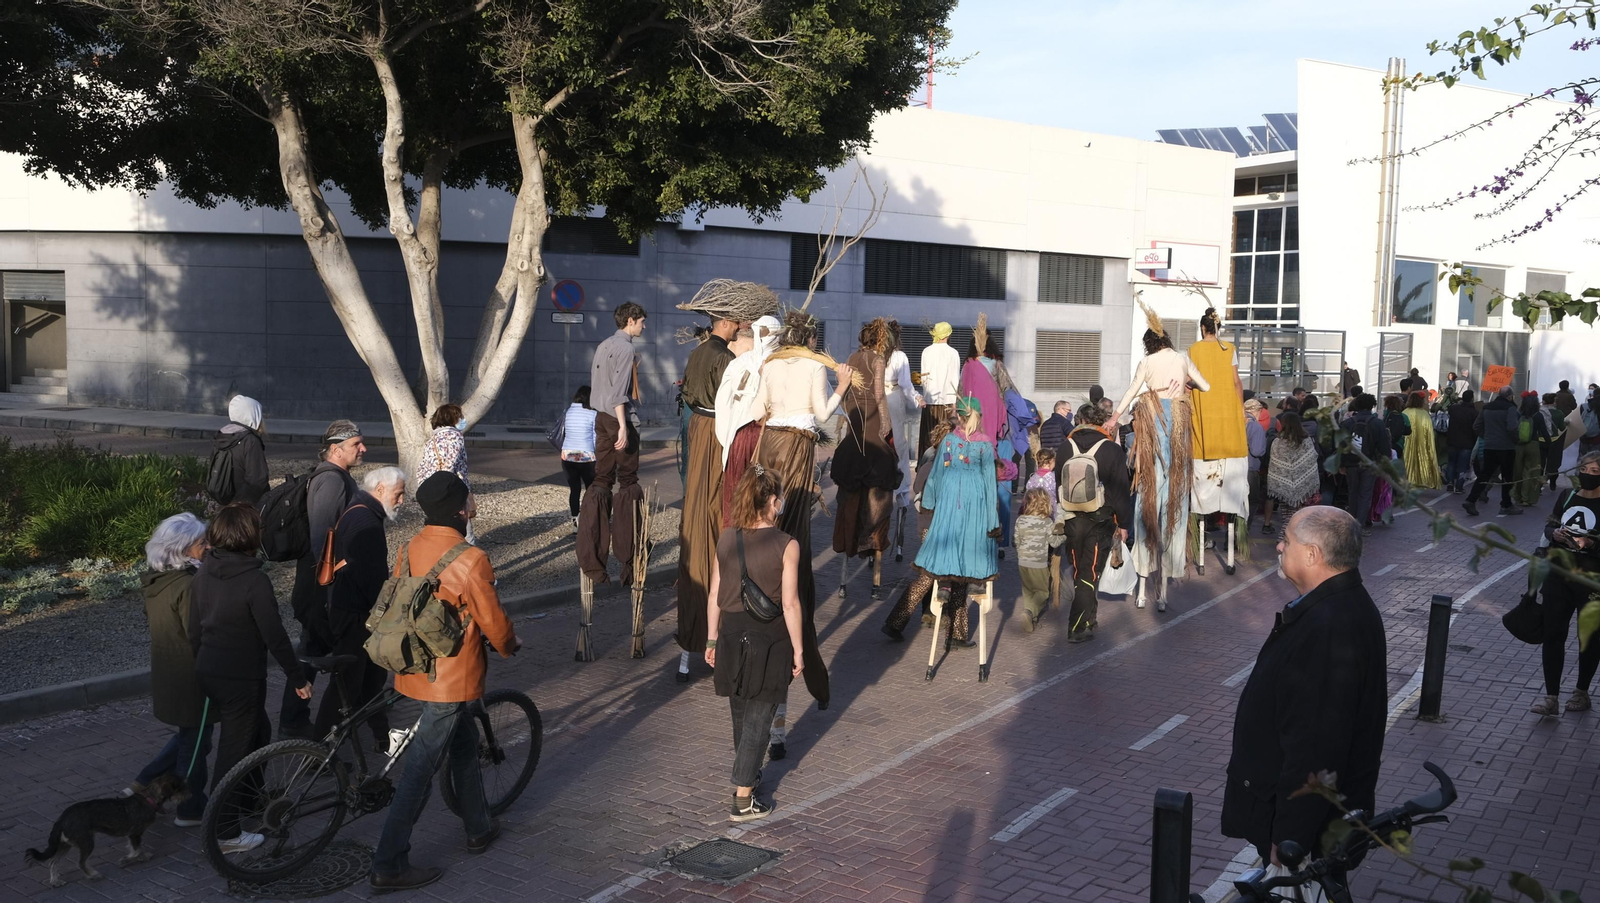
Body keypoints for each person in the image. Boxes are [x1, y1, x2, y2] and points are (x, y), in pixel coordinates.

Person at [370, 471, 520, 892]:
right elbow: (494, 623)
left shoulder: (409, 547)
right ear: (459, 509)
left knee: (464, 743)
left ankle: (478, 826)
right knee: (420, 769)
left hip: (416, 668)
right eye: (470, 497)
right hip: (452, 678)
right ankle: (389, 862)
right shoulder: (471, 559)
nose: (474, 502)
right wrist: (510, 644)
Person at [1221, 507, 1386, 875]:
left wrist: (1291, 836)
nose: (1279, 546)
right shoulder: (1338, 607)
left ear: (1312, 555)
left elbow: (1316, 743)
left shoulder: (1329, 627)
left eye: (1288, 540)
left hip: (1306, 836)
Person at [190, 503, 311, 854]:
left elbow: (193, 627)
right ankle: (225, 830)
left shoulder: (205, 571)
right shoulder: (253, 580)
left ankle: (248, 800)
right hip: (240, 677)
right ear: (250, 537)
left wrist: (202, 660)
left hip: (210, 668)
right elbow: (274, 635)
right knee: (236, 748)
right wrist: (298, 677)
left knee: (257, 731)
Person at [749, 310, 848, 724]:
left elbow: (758, 413)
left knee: (763, 519)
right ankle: (789, 611)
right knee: (793, 536)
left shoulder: (770, 363)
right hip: (796, 448)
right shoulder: (813, 364)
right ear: (812, 339)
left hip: (770, 444)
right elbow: (823, 413)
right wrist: (841, 384)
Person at [704, 466, 810, 822]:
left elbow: (715, 593)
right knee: (760, 717)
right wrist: (799, 649)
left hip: (732, 634)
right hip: (770, 638)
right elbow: (791, 603)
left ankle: (746, 777)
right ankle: (743, 799)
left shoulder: (726, 538)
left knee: (740, 714)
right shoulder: (786, 544)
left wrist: (711, 637)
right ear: (773, 501)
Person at [1115, 302, 1210, 608]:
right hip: (1178, 429)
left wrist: (1114, 417)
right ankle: (1164, 594)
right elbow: (1205, 386)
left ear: (1149, 343)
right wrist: (1186, 384)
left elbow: (1131, 391)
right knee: (1175, 506)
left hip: (1151, 428)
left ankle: (1142, 590)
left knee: (1147, 500)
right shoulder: (1182, 359)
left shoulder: (1147, 363)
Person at [127, 513, 213, 828]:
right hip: (192, 674)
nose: (207, 547)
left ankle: (146, 780)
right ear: (182, 548)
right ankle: (190, 807)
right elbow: (199, 633)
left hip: (170, 669)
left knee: (194, 736)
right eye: (201, 543)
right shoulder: (189, 585)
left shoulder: (157, 579)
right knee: (195, 742)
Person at [280, 420, 364, 741]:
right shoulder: (331, 481)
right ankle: (299, 723)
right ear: (335, 449)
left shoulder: (337, 478)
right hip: (322, 588)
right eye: (356, 444)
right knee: (319, 652)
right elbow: (322, 540)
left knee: (317, 651)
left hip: (320, 585)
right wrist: (335, 583)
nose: (363, 449)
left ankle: (302, 720)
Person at [311, 466, 406, 744]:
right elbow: (368, 576)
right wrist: (384, 613)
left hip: (352, 610)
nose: (401, 501)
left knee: (371, 679)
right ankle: (319, 749)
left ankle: (380, 736)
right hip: (354, 614)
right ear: (380, 490)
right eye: (398, 494)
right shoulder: (365, 520)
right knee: (348, 684)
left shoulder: (361, 511)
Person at [676, 311, 741, 682]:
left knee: (698, 517)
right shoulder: (723, 358)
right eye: (736, 322)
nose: (739, 327)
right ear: (726, 322)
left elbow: (687, 394)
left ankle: (689, 648)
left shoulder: (699, 352)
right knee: (717, 524)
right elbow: (733, 407)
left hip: (698, 432)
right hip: (716, 434)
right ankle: (715, 640)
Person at [913, 396, 999, 640]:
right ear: (978, 417)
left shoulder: (949, 441)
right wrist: (993, 518)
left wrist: (929, 503)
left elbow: (937, 474)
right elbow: (989, 482)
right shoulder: (985, 444)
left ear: (959, 417)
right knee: (971, 538)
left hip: (950, 499)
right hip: (975, 499)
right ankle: (974, 580)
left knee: (949, 539)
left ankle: (946, 585)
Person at [882, 417, 975, 643]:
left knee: (927, 577)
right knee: (956, 579)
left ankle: (896, 622)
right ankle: (956, 634)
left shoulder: (927, 466)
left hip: (928, 528)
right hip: (944, 530)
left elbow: (918, 492)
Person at [578, 301, 647, 586]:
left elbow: (600, 387)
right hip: (618, 419)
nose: (644, 326)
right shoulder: (625, 348)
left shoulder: (604, 344)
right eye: (642, 321)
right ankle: (628, 561)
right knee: (628, 482)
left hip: (599, 417)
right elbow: (618, 393)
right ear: (630, 321)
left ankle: (592, 561)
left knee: (600, 481)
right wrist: (623, 426)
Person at [1054, 404, 1133, 642]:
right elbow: (1120, 492)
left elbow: (1059, 482)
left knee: (1082, 569)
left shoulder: (1065, 446)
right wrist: (1124, 524)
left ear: (1079, 420)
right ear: (1102, 422)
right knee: (1089, 572)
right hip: (1100, 519)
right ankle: (1077, 626)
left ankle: (1089, 619)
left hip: (1071, 517)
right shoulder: (1111, 448)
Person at [1531, 452, 1600, 715]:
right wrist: (1555, 533)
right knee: (1553, 634)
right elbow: (1549, 526)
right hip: (1558, 576)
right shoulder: (1567, 496)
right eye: (1585, 469)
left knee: (1589, 638)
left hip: (1590, 580)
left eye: (1595, 471)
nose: (1589, 475)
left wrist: (1591, 543)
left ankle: (1582, 692)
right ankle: (1551, 697)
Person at [832, 319, 901, 575]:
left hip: (855, 420)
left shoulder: (852, 356)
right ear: (880, 340)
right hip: (871, 419)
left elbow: (847, 390)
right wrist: (885, 423)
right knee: (880, 480)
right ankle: (870, 539)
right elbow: (879, 393)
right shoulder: (878, 360)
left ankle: (850, 542)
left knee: (852, 484)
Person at [1188, 307, 1251, 540]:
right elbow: (1236, 383)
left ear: (1202, 328)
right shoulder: (1230, 349)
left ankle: (1200, 538)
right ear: (1217, 328)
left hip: (1203, 421)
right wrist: (1240, 410)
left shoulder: (1193, 350)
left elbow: (1189, 382)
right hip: (1228, 422)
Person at [716, 316, 782, 528]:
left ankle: (747, 539)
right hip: (754, 438)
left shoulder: (777, 362)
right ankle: (742, 539)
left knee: (757, 489)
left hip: (757, 437)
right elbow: (724, 402)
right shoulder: (744, 363)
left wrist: (728, 436)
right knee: (750, 488)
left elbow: (723, 404)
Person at [1463, 386, 1523, 517]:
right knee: (1507, 476)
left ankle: (1471, 500)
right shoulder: (1510, 408)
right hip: (1506, 447)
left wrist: (1486, 436)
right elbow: (1512, 427)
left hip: (1489, 446)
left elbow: (1476, 426)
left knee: (1484, 475)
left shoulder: (1487, 407)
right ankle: (1506, 505)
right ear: (1510, 397)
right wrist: (1516, 440)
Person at [1013, 489, 1063, 633]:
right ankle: (1029, 612)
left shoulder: (1020, 520)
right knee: (1043, 592)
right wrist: (1064, 537)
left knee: (1028, 592)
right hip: (1039, 562)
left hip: (1022, 562)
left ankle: (1031, 620)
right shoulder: (1046, 522)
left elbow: (1015, 541)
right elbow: (1053, 542)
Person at [1263, 412, 1319, 538]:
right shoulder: (1306, 440)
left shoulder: (1277, 442)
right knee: (1296, 515)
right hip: (1303, 484)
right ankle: (1286, 539)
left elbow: (1273, 463)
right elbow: (1312, 460)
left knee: (1287, 515)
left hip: (1282, 484)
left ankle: (1285, 539)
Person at [882, 320, 925, 481]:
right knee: (898, 442)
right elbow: (905, 384)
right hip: (894, 396)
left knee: (879, 440)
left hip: (876, 397)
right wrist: (917, 397)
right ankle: (902, 490)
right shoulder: (899, 356)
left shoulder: (874, 354)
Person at [211, 395, 269, 505]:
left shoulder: (221, 436)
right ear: (253, 416)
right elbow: (258, 480)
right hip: (245, 507)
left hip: (224, 500)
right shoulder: (250, 441)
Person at [1338, 394, 1384, 533]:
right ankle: (1360, 525)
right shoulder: (1377, 423)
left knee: (1353, 493)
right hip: (1370, 464)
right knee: (1366, 494)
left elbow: (1340, 444)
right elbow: (1384, 446)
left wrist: (1341, 463)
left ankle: (1351, 524)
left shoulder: (1347, 423)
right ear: (1372, 405)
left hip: (1351, 463)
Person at [918, 321, 961, 459]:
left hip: (930, 401)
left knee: (928, 439)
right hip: (947, 403)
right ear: (948, 334)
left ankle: (925, 468)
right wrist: (955, 406)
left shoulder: (926, 351)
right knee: (946, 441)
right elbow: (955, 380)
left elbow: (924, 378)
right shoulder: (953, 353)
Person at [560, 387, 598, 529]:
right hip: (587, 457)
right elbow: (595, 437)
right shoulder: (593, 414)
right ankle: (589, 522)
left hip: (567, 456)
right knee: (590, 490)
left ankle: (576, 525)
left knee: (574, 491)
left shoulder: (568, 412)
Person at [1513, 392, 1551, 508]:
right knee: (1530, 472)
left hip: (1519, 445)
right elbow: (1544, 433)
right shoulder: (1538, 415)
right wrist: (1549, 444)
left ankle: (1517, 496)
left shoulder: (1518, 414)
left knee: (1518, 472)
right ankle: (1527, 498)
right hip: (1533, 445)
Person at [1401, 392, 1441, 490]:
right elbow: (1429, 432)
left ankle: (1407, 481)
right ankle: (1421, 480)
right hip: (1422, 444)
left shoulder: (1405, 412)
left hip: (1407, 444)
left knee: (1407, 462)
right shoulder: (1424, 414)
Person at [1445, 390, 1478, 492]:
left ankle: (1450, 483)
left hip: (1452, 440)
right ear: (1472, 399)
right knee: (1463, 465)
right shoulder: (1474, 413)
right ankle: (1459, 485)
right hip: (1467, 443)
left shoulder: (1454, 409)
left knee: (1451, 463)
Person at [1542, 393, 1568, 492]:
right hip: (1553, 441)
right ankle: (1552, 482)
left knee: (1540, 463)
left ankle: (1538, 485)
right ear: (1553, 402)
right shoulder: (1559, 413)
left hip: (1540, 441)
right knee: (1553, 463)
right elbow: (1562, 428)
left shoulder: (1539, 412)